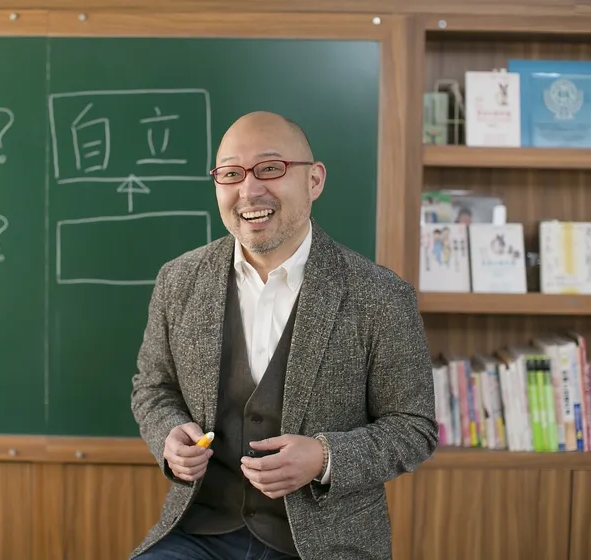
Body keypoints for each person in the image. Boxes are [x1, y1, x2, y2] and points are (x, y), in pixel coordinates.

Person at [129, 111, 438, 560]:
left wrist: (325, 457)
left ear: (314, 180)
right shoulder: (178, 280)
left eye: (270, 168)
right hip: (198, 533)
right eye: (231, 174)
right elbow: (153, 388)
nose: (249, 190)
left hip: (324, 543)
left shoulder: (381, 295)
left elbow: (414, 427)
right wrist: (169, 436)